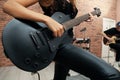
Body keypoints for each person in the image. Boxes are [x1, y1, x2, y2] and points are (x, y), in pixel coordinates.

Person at [2, 0, 120, 80]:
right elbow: (9, 5)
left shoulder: (72, 1)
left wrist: (83, 19)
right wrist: (47, 20)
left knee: (60, 78)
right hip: (52, 42)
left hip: (65, 40)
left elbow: (65, 23)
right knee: (112, 75)